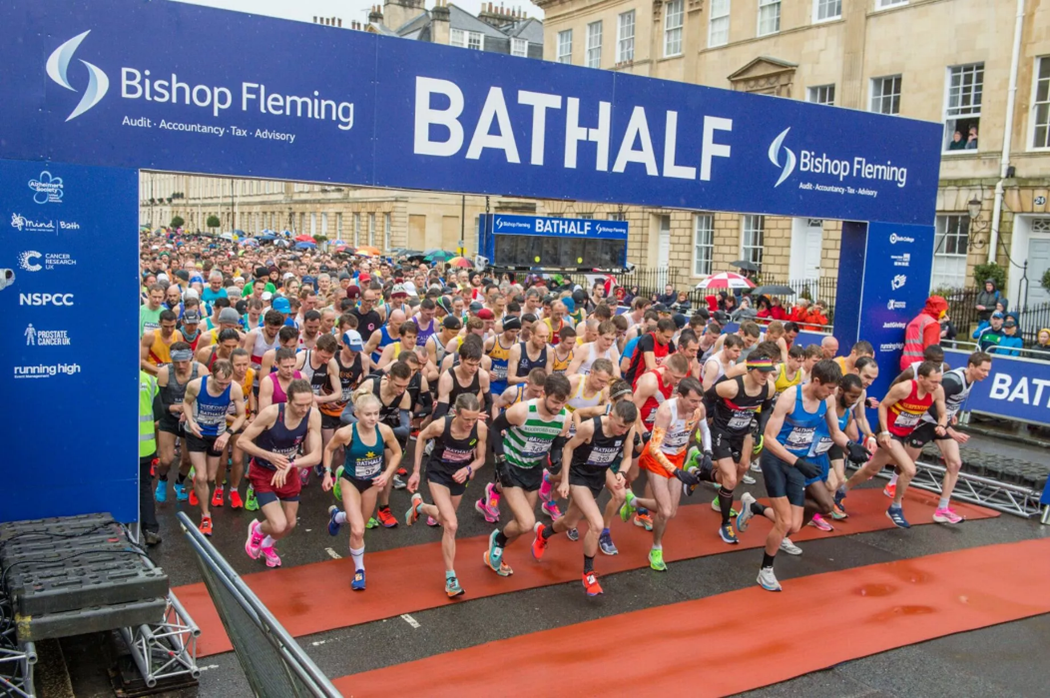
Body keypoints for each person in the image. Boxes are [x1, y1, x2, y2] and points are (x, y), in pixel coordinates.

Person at [743, 362, 868, 591]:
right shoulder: (791, 397)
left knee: (796, 525)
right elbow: (769, 439)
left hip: (799, 464)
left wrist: (850, 444)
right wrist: (797, 461)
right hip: (777, 461)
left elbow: (834, 432)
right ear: (816, 381)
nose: (832, 393)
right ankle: (766, 571)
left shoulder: (827, 400)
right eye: (829, 388)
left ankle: (754, 507)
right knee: (784, 522)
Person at [531, 400, 638, 596]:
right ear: (611, 416)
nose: (623, 431)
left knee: (570, 522)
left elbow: (628, 456)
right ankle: (588, 573)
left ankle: (543, 534)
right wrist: (564, 480)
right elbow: (569, 449)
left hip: (600, 472)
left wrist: (622, 471)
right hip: (578, 475)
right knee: (595, 525)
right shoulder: (590, 428)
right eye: (621, 426)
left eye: (627, 427)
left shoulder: (628, 430)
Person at [835, 361, 947, 528]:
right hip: (889, 432)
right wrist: (885, 432)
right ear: (921, 378)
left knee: (871, 469)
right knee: (909, 469)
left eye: (938, 381)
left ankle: (841, 491)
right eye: (933, 381)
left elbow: (943, 413)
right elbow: (883, 406)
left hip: (905, 433)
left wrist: (942, 425)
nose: (936, 385)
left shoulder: (937, 391)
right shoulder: (904, 388)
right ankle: (895, 508)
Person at [484, 373, 572, 577]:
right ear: (543, 393)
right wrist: (500, 460)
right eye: (555, 401)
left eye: (563, 402)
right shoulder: (523, 411)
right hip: (510, 466)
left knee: (521, 525)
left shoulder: (565, 418)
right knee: (526, 522)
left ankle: (496, 548)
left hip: (533, 469)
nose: (559, 407)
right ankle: (497, 542)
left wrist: (556, 460)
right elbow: (495, 429)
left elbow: (557, 445)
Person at [618, 377, 708, 571]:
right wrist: (675, 471)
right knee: (664, 511)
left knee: (671, 512)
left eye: (699, 401)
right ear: (680, 396)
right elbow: (654, 449)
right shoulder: (667, 411)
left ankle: (633, 501)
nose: (696, 405)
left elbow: (704, 427)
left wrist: (707, 451)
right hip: (658, 458)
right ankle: (656, 548)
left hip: (678, 456)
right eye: (692, 401)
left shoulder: (698, 409)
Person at [405, 394, 488, 598]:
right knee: (451, 525)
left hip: (460, 476)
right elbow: (421, 437)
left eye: (474, 418)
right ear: (456, 413)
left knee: (444, 520)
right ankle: (451, 578)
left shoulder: (480, 429)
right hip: (438, 474)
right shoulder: (441, 426)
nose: (470, 423)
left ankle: (421, 507)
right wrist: (416, 471)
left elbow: (482, 458)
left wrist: (469, 468)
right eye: (466, 418)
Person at [323, 392, 404, 590]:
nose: (373, 418)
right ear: (357, 414)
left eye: (376, 413)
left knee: (360, 521)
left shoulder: (384, 431)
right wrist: (327, 473)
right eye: (368, 414)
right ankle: (360, 571)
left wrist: (387, 474)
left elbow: (397, 453)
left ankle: (338, 517)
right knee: (358, 530)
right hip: (350, 480)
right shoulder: (346, 433)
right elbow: (328, 449)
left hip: (372, 483)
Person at [241, 380, 323, 568]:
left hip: (288, 472)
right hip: (263, 471)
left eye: (307, 404)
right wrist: (269, 456)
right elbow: (243, 442)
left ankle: (267, 545)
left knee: (290, 523)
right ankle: (257, 529)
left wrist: (291, 465)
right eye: (299, 405)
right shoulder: (272, 413)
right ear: (288, 400)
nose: (304, 410)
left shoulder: (313, 415)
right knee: (278, 524)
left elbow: (316, 456)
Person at [905, 352, 991, 524]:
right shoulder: (954, 381)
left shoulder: (971, 380)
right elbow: (930, 402)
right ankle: (891, 485)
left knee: (955, 463)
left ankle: (942, 509)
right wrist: (949, 428)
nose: (986, 374)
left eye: (988, 371)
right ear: (971, 366)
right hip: (925, 421)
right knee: (905, 466)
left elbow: (948, 402)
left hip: (941, 425)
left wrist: (951, 415)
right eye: (983, 370)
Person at [706, 352, 777, 544]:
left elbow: (767, 409)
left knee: (742, 468)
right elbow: (707, 397)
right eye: (761, 372)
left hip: (744, 433)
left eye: (768, 372)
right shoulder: (730, 387)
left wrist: (761, 430)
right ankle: (725, 524)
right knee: (729, 479)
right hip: (722, 432)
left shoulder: (768, 388)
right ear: (750, 370)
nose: (765, 376)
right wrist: (709, 421)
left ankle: (700, 471)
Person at [183, 359, 246, 535]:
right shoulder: (196, 385)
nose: (224, 387)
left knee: (210, 477)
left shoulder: (234, 388)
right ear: (211, 375)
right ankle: (206, 516)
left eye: (227, 383)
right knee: (203, 477)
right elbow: (186, 403)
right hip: (197, 432)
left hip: (218, 434)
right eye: (220, 383)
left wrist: (228, 433)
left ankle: (198, 483)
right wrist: (190, 421)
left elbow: (241, 415)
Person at [154, 343, 208, 503]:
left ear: (191, 357)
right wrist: (174, 407)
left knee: (187, 460)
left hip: (192, 419)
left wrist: (188, 411)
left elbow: (206, 398)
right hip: (170, 418)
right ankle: (162, 480)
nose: (181, 366)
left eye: (184, 361)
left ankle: (179, 483)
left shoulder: (201, 371)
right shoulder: (165, 373)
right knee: (166, 460)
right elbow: (158, 403)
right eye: (177, 362)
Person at [138, 370, 162, 546]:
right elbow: (159, 412)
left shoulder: (110, 376)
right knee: (144, 487)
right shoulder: (149, 380)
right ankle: (150, 530)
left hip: (118, 447)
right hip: (145, 446)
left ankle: (119, 527)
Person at [900, 296, 948, 371]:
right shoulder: (932, 324)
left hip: (906, 364)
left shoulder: (916, 320)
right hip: (920, 366)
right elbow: (931, 351)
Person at [140, 310, 184, 375]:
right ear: (159, 323)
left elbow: (181, 357)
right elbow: (141, 361)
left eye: (172, 326)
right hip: (152, 375)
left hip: (172, 376)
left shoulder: (178, 335)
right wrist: (160, 371)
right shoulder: (150, 336)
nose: (169, 330)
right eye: (166, 326)